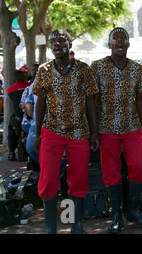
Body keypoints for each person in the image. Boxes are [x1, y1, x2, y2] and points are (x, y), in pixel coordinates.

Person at [32, 29, 99, 234]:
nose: (56, 45)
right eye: (53, 42)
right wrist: (37, 133)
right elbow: (40, 103)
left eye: (61, 41)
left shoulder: (83, 69)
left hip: (79, 131)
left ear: (69, 45)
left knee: (78, 179)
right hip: (52, 130)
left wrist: (94, 132)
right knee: (49, 178)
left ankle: (75, 224)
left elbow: (90, 103)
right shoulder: (43, 70)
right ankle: (51, 228)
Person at [91, 27, 142, 233]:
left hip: (132, 126)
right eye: (114, 39)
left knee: (139, 166)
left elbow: (139, 99)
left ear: (128, 44)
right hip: (106, 127)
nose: (119, 42)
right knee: (111, 172)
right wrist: (93, 131)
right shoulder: (97, 67)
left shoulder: (137, 69)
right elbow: (91, 100)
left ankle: (134, 211)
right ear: (109, 44)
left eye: (123, 39)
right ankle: (117, 215)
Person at [7, 70, 31, 160]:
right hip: (32, 118)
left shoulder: (10, 90)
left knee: (10, 127)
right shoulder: (31, 87)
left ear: (13, 81)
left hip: (18, 119)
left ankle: (11, 152)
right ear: (25, 77)